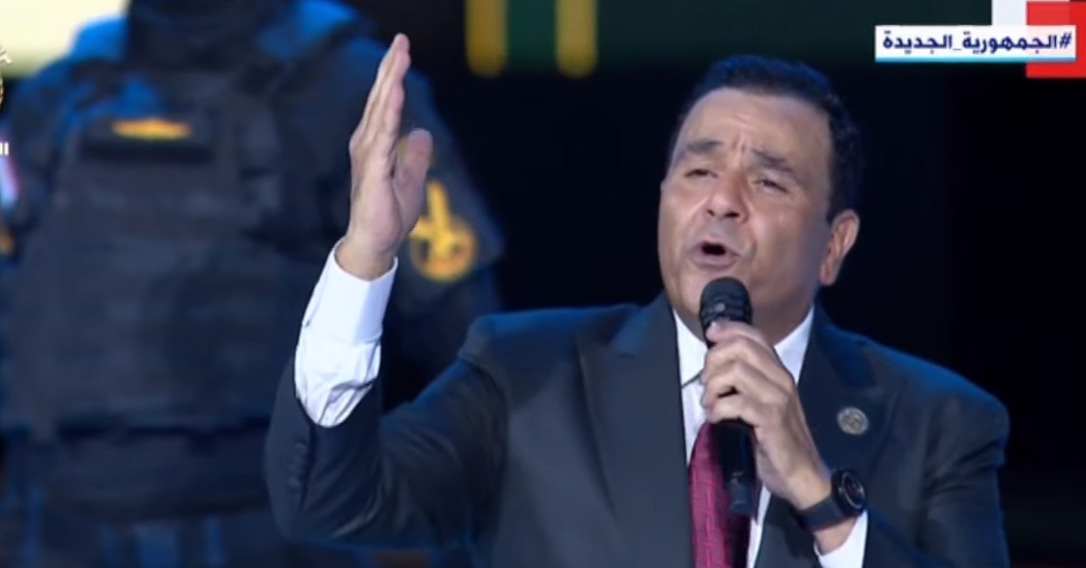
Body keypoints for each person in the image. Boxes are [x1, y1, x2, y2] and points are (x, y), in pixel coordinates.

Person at [264, 35, 1011, 568]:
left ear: (834, 245)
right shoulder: (523, 378)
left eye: (768, 181)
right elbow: (326, 502)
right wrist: (365, 257)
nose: (722, 200)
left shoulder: (940, 423)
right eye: (697, 172)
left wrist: (825, 505)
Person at [0, 1, 502, 565]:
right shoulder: (55, 95)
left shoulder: (349, 84)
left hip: (268, 527)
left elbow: (464, 348)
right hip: (59, 526)